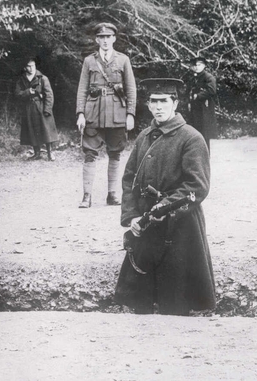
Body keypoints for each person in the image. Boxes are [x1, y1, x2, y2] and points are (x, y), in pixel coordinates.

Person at [114, 78, 215, 316]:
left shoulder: (192, 138)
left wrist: (164, 207)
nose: (158, 107)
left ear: (175, 103)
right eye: (153, 102)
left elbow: (197, 186)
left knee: (177, 297)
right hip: (145, 225)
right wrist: (132, 217)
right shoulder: (144, 136)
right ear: (148, 105)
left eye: (164, 101)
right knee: (141, 301)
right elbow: (129, 179)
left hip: (180, 227)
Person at [75, 22, 137, 208]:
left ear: (114, 39)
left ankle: (112, 194)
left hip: (117, 113)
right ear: (96, 40)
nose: (105, 40)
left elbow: (131, 89)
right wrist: (80, 114)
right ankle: (87, 196)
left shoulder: (123, 60)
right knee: (89, 154)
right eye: (101, 37)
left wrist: (130, 114)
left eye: (108, 37)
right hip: (93, 113)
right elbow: (82, 90)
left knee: (115, 153)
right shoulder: (89, 61)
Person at [14, 57, 58, 161]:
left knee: (46, 130)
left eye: (33, 66)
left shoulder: (42, 78)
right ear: (25, 68)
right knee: (31, 130)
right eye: (28, 66)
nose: (31, 68)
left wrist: (47, 109)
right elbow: (17, 94)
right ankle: (37, 153)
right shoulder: (22, 79)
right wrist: (27, 92)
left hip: (41, 107)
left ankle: (50, 153)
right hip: (28, 108)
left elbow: (49, 95)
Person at [182, 56, 218, 150]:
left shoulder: (208, 77)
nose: (197, 67)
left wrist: (198, 96)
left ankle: (205, 156)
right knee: (194, 133)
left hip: (204, 109)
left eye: (199, 65)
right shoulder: (192, 78)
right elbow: (188, 91)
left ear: (204, 66)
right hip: (194, 109)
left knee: (204, 134)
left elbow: (212, 91)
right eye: (194, 65)